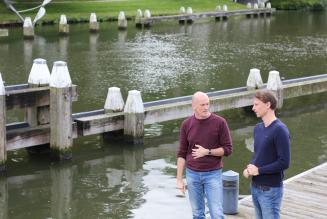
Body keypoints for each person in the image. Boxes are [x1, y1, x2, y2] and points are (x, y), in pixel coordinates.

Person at [176, 91, 233, 219]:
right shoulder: (186, 124)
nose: (206, 107)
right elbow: (182, 153)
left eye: (207, 104)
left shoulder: (220, 122)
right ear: (194, 106)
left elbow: (228, 150)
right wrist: (179, 179)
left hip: (213, 174)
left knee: (217, 213)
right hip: (192, 174)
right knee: (197, 214)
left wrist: (207, 151)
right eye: (202, 105)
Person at [243, 89, 291, 219]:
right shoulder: (258, 128)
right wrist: (250, 168)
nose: (253, 108)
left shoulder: (280, 130)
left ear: (268, 105)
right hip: (255, 187)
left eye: (256, 104)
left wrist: (259, 170)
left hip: (270, 190)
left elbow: (284, 162)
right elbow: (258, 155)